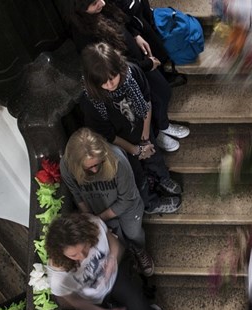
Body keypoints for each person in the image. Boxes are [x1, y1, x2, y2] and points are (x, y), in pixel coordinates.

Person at [69, 0, 190, 152]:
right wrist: (146, 64)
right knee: (149, 101)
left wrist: (135, 35)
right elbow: (109, 63)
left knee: (162, 92)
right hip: (124, 72)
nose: (102, 2)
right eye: (94, 3)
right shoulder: (83, 33)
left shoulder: (104, 8)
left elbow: (122, 21)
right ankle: (158, 132)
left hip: (138, 61)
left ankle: (162, 125)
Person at [45, 213, 179, 310]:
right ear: (60, 253)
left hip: (114, 277)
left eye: (85, 247)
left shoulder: (94, 225)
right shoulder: (58, 277)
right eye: (74, 255)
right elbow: (73, 301)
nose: (83, 256)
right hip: (94, 299)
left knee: (141, 309)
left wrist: (112, 260)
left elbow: (114, 244)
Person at [80, 42, 183, 214]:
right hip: (119, 142)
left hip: (141, 126)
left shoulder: (131, 72)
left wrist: (144, 137)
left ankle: (162, 178)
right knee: (136, 175)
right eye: (103, 82)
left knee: (154, 155)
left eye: (113, 77)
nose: (110, 84)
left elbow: (146, 101)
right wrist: (135, 149)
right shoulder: (91, 100)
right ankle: (150, 204)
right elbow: (107, 135)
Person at [61, 128, 154, 276]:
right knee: (117, 237)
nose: (95, 169)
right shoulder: (66, 167)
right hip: (98, 206)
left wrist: (97, 219)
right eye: (89, 167)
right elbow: (77, 194)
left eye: (98, 164)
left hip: (127, 206)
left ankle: (139, 250)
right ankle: (129, 257)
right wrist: (89, 218)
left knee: (133, 233)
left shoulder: (117, 160)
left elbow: (126, 199)